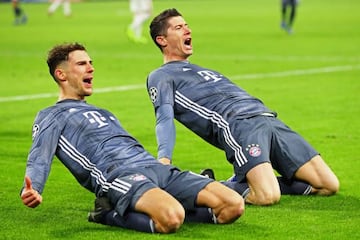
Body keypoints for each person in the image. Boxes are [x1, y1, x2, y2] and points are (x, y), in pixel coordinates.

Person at [20, 42, 244, 234]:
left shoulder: (104, 112)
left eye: (91, 62)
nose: (91, 68)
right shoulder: (51, 115)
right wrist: (33, 188)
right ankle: (107, 213)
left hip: (154, 167)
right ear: (61, 74)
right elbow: (39, 156)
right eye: (82, 64)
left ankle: (172, 202)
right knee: (171, 218)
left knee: (233, 205)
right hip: (118, 175)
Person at [146, 8, 340, 206]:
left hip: (267, 118)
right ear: (162, 40)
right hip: (239, 125)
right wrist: (164, 160)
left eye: (187, 26)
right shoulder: (160, 76)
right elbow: (164, 118)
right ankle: (203, 186)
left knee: (328, 184)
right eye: (179, 28)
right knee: (266, 196)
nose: (187, 31)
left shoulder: (206, 70)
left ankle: (223, 183)